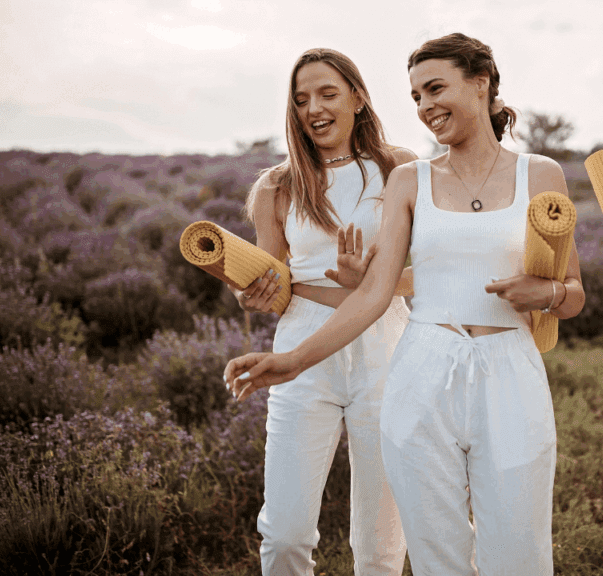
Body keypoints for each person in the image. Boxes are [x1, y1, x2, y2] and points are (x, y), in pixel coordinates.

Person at [226, 32, 585, 575]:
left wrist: (550, 293)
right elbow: (333, 285)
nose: (424, 106)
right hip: (373, 350)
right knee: (360, 541)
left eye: (435, 88)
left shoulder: (513, 173)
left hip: (455, 355)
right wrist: (278, 333)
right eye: (416, 95)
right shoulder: (355, 182)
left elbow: (564, 289)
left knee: (469, 546)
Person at [228, 47, 417, 576]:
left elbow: (429, 273)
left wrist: (376, 282)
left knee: (380, 544)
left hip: (389, 341)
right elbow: (272, 276)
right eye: (302, 98)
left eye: (328, 93)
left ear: (358, 98)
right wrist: (251, 292)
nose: (314, 108)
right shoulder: (277, 185)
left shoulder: (401, 168)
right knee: (284, 534)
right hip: (302, 343)